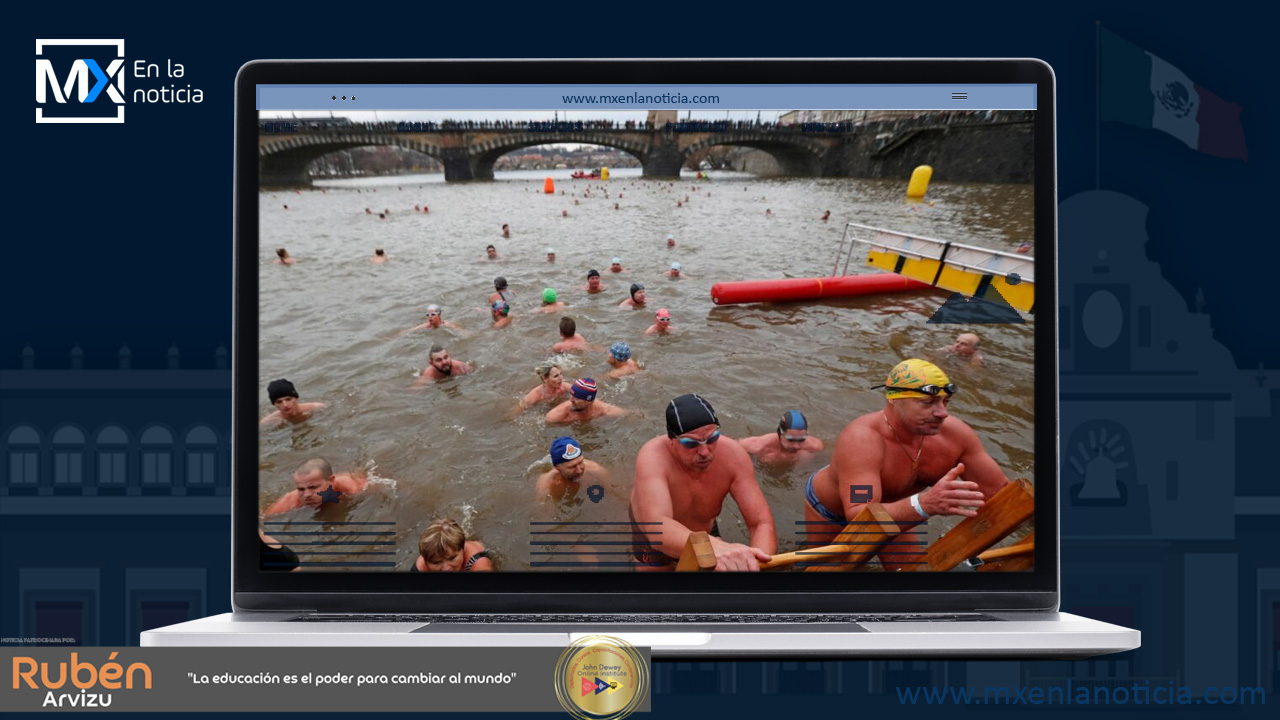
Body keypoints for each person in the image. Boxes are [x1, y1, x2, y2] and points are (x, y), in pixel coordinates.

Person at [802, 359, 1010, 569]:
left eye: (945, 402)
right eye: (928, 403)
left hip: (899, 511)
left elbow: (1001, 494)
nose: (942, 413)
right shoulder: (862, 440)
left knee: (912, 576)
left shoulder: (957, 436)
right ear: (894, 399)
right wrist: (925, 504)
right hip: (835, 513)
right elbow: (859, 513)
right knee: (828, 580)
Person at [629, 394, 776, 571]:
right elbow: (658, 529)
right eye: (691, 443)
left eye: (713, 438)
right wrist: (718, 547)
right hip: (656, 540)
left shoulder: (733, 455)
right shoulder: (652, 457)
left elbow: (761, 523)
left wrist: (758, 560)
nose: (705, 452)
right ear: (672, 441)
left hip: (704, 532)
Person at [264, 457, 369, 515]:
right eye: (301, 489)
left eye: (313, 487)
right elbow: (264, 520)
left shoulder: (351, 487)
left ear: (331, 481)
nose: (307, 495)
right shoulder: (290, 501)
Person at [535, 436, 610, 503]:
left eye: (580, 462)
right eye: (572, 467)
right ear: (557, 468)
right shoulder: (547, 484)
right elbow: (544, 514)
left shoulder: (596, 470)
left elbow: (612, 492)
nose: (579, 470)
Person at [740, 410, 825, 463]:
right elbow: (730, 449)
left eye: (801, 440)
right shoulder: (756, 447)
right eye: (791, 440)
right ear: (780, 434)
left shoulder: (814, 447)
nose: (796, 446)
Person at [412, 519, 493, 572]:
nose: (446, 568)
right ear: (425, 561)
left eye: (452, 558)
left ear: (463, 550)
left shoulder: (479, 565)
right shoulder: (420, 568)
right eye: (437, 562)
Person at [545, 378, 627, 424]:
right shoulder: (555, 416)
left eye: (577, 398)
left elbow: (629, 415)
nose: (571, 400)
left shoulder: (603, 410)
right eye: (572, 395)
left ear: (589, 401)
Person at [260, 379, 326, 426]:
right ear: (274, 404)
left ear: (296, 398)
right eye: (279, 402)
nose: (285, 405)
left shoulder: (317, 407)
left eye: (288, 399)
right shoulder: (267, 421)